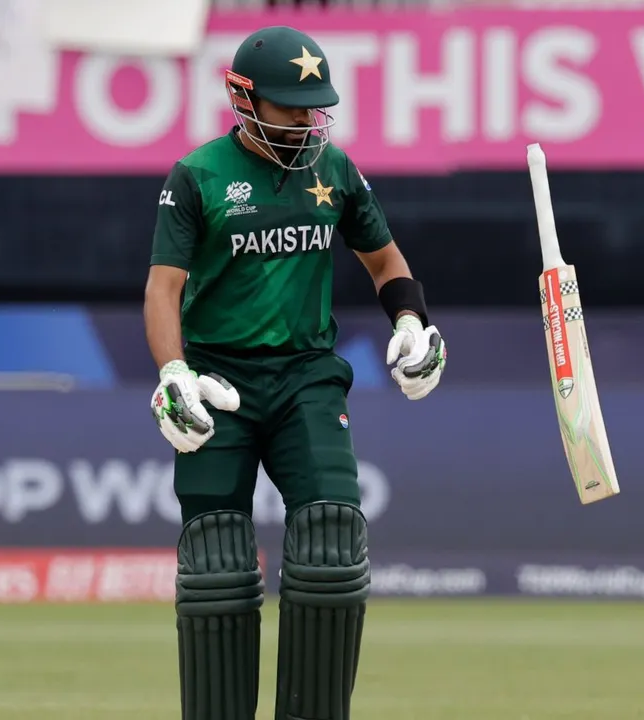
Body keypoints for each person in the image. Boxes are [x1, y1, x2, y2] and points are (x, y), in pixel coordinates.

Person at [144, 24, 447, 720]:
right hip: (217, 383)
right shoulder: (198, 176)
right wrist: (172, 374)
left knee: (333, 543)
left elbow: (386, 263)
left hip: (306, 376)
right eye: (292, 107)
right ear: (243, 99)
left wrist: (412, 323)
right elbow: (164, 289)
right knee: (216, 560)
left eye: (316, 107)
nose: (309, 121)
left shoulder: (332, 169)